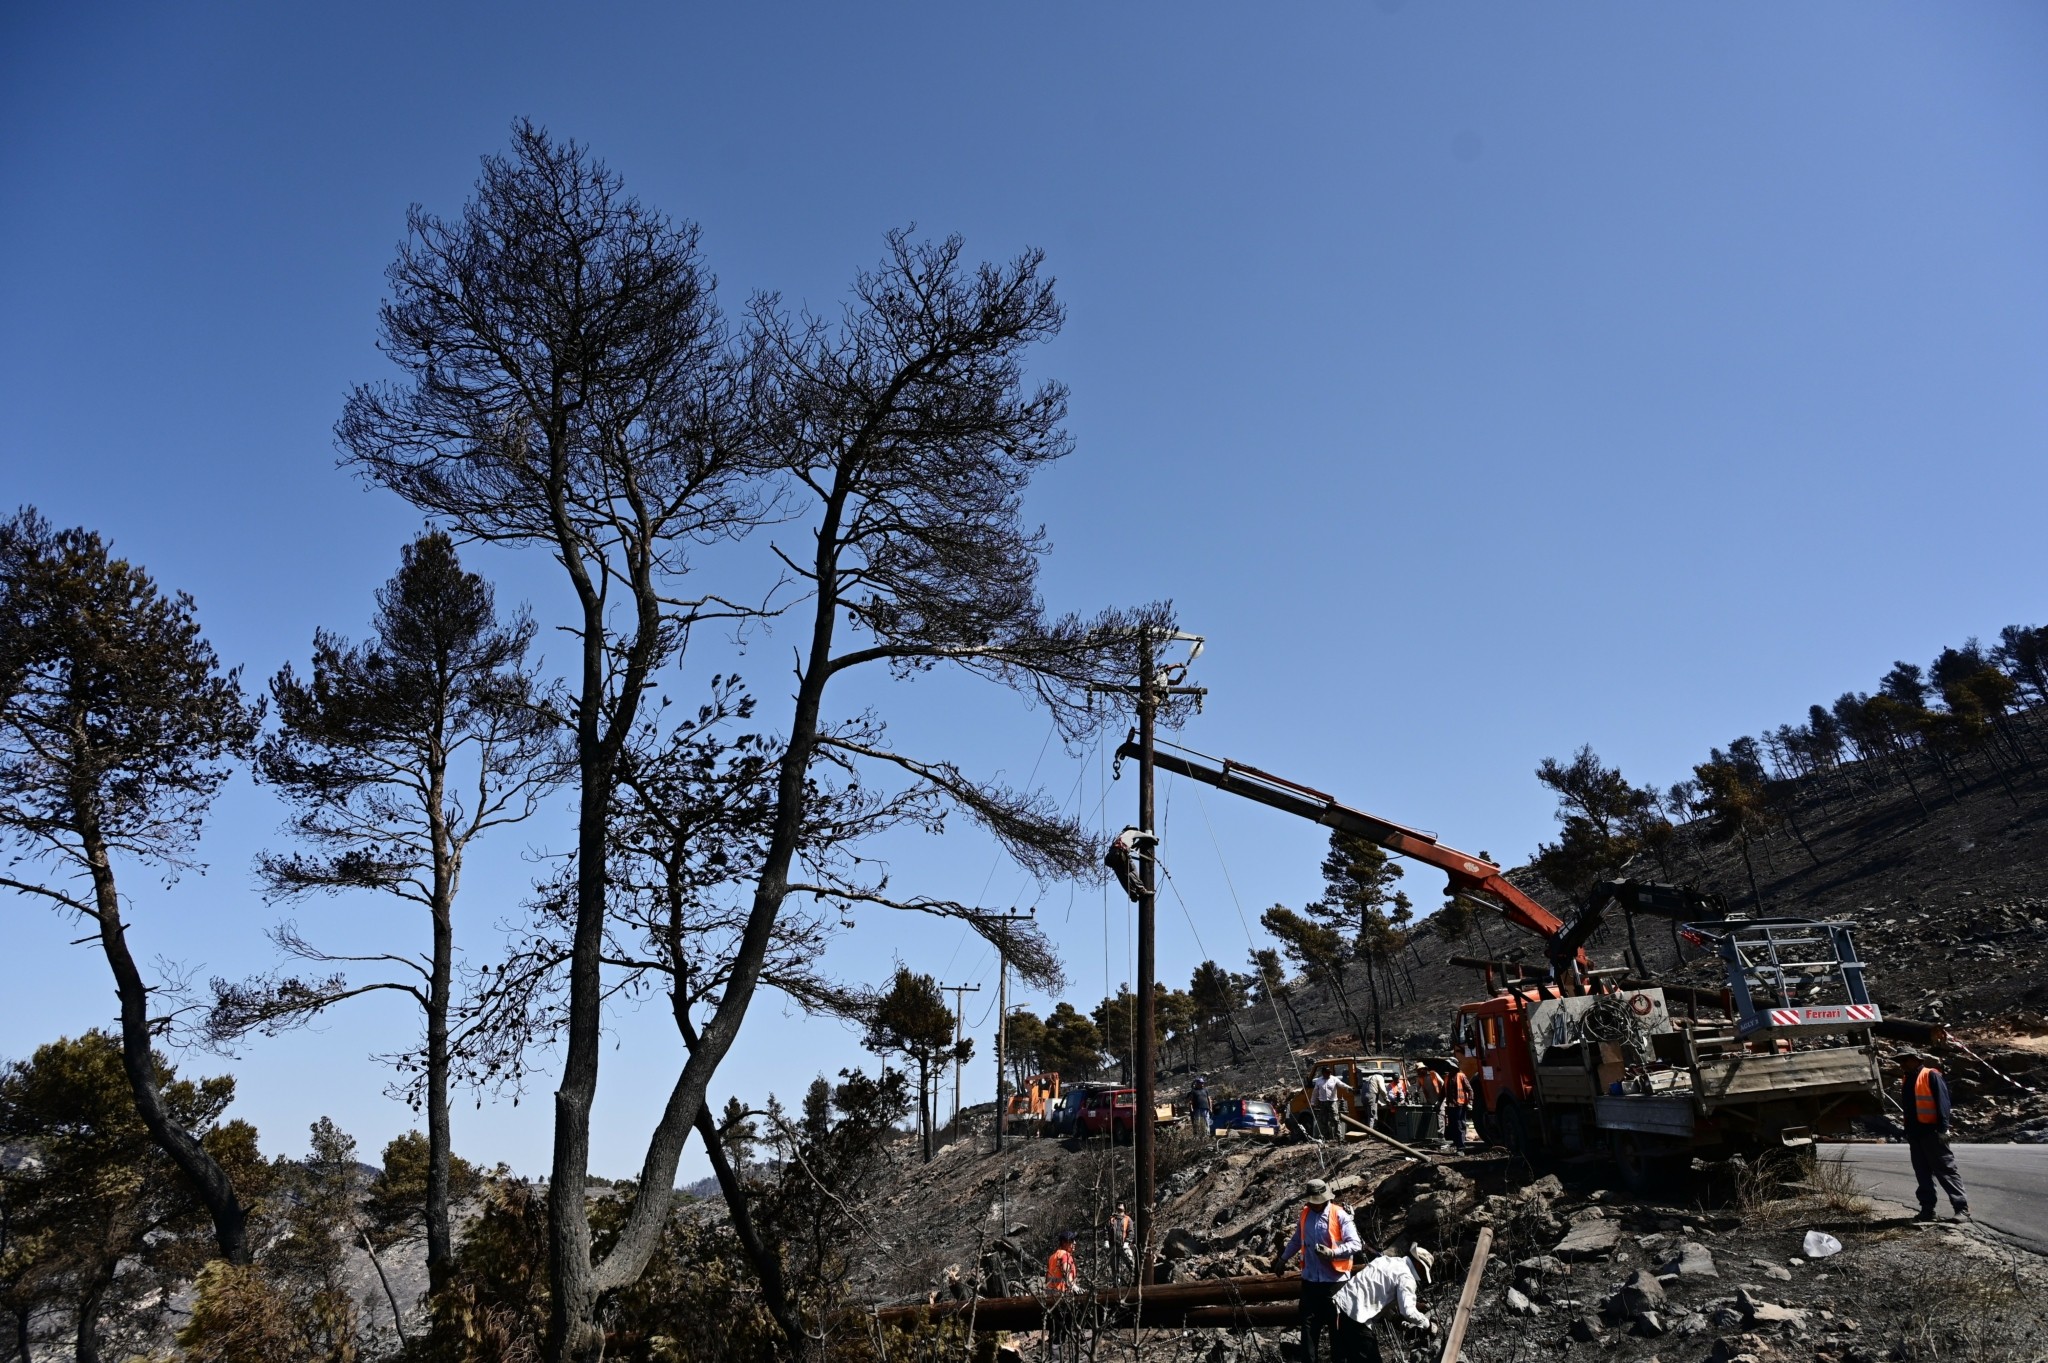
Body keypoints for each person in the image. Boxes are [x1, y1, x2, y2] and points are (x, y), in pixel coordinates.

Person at [1277, 1178, 1364, 1363]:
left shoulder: (1339, 1214)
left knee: (1337, 1330)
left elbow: (1355, 1244)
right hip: (1310, 1281)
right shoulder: (1305, 1214)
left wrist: (1333, 1253)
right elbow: (1296, 1239)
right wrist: (1283, 1258)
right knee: (1308, 1328)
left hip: (1335, 1282)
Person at [1333, 1242, 1435, 1363]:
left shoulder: (1387, 1261)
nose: (1422, 1276)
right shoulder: (1406, 1277)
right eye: (1424, 1271)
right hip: (1355, 1316)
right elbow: (1408, 1311)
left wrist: (1392, 1317)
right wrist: (1428, 1325)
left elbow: (1374, 1294)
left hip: (1341, 1307)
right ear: (1418, 1265)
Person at [1898, 1052, 1970, 1222]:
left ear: (1915, 1060)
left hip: (1932, 1132)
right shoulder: (1907, 1079)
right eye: (1899, 1061)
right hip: (1915, 1134)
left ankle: (1962, 1209)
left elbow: (1943, 1103)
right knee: (1922, 1173)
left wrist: (1943, 1130)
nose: (1901, 1064)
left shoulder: (1930, 1075)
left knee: (1946, 1170)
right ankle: (1927, 1210)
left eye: (1904, 1060)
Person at [1045, 1229, 1081, 1362]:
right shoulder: (1065, 1255)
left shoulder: (1052, 1256)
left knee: (1055, 1331)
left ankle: (1056, 1359)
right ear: (1065, 1242)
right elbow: (1066, 1272)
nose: (1074, 1243)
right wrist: (1073, 1286)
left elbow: (1049, 1279)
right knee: (1062, 1333)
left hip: (1051, 1297)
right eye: (1072, 1241)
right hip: (1062, 1298)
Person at [1312, 1069, 1350, 1140]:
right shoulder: (1319, 1081)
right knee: (1324, 1120)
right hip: (1322, 1102)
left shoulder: (1334, 1079)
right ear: (1323, 1073)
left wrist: (1348, 1087)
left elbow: (1342, 1084)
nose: (1329, 1074)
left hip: (1332, 1102)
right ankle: (1326, 1138)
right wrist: (1313, 1102)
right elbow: (1315, 1092)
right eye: (1327, 1073)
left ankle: (1339, 1137)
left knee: (1335, 1119)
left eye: (1330, 1073)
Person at [1445, 1067, 1473, 1152]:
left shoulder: (1461, 1076)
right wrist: (1439, 1102)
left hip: (1460, 1104)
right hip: (1450, 1105)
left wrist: (1470, 1101)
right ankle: (1456, 1143)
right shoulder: (1447, 1077)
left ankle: (1461, 1147)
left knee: (1459, 1124)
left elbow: (1470, 1090)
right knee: (1453, 1125)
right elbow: (1443, 1091)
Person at [1108, 1203, 1136, 1283]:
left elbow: (1131, 1232)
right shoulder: (1112, 1219)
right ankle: (1116, 1283)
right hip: (1113, 1246)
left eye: (1121, 1205)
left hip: (1124, 1246)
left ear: (1124, 1208)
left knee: (1131, 1263)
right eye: (1118, 1204)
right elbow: (1107, 1230)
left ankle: (1133, 1280)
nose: (1119, 1206)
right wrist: (1106, 1240)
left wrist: (1127, 1242)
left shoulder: (1128, 1219)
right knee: (1114, 1266)